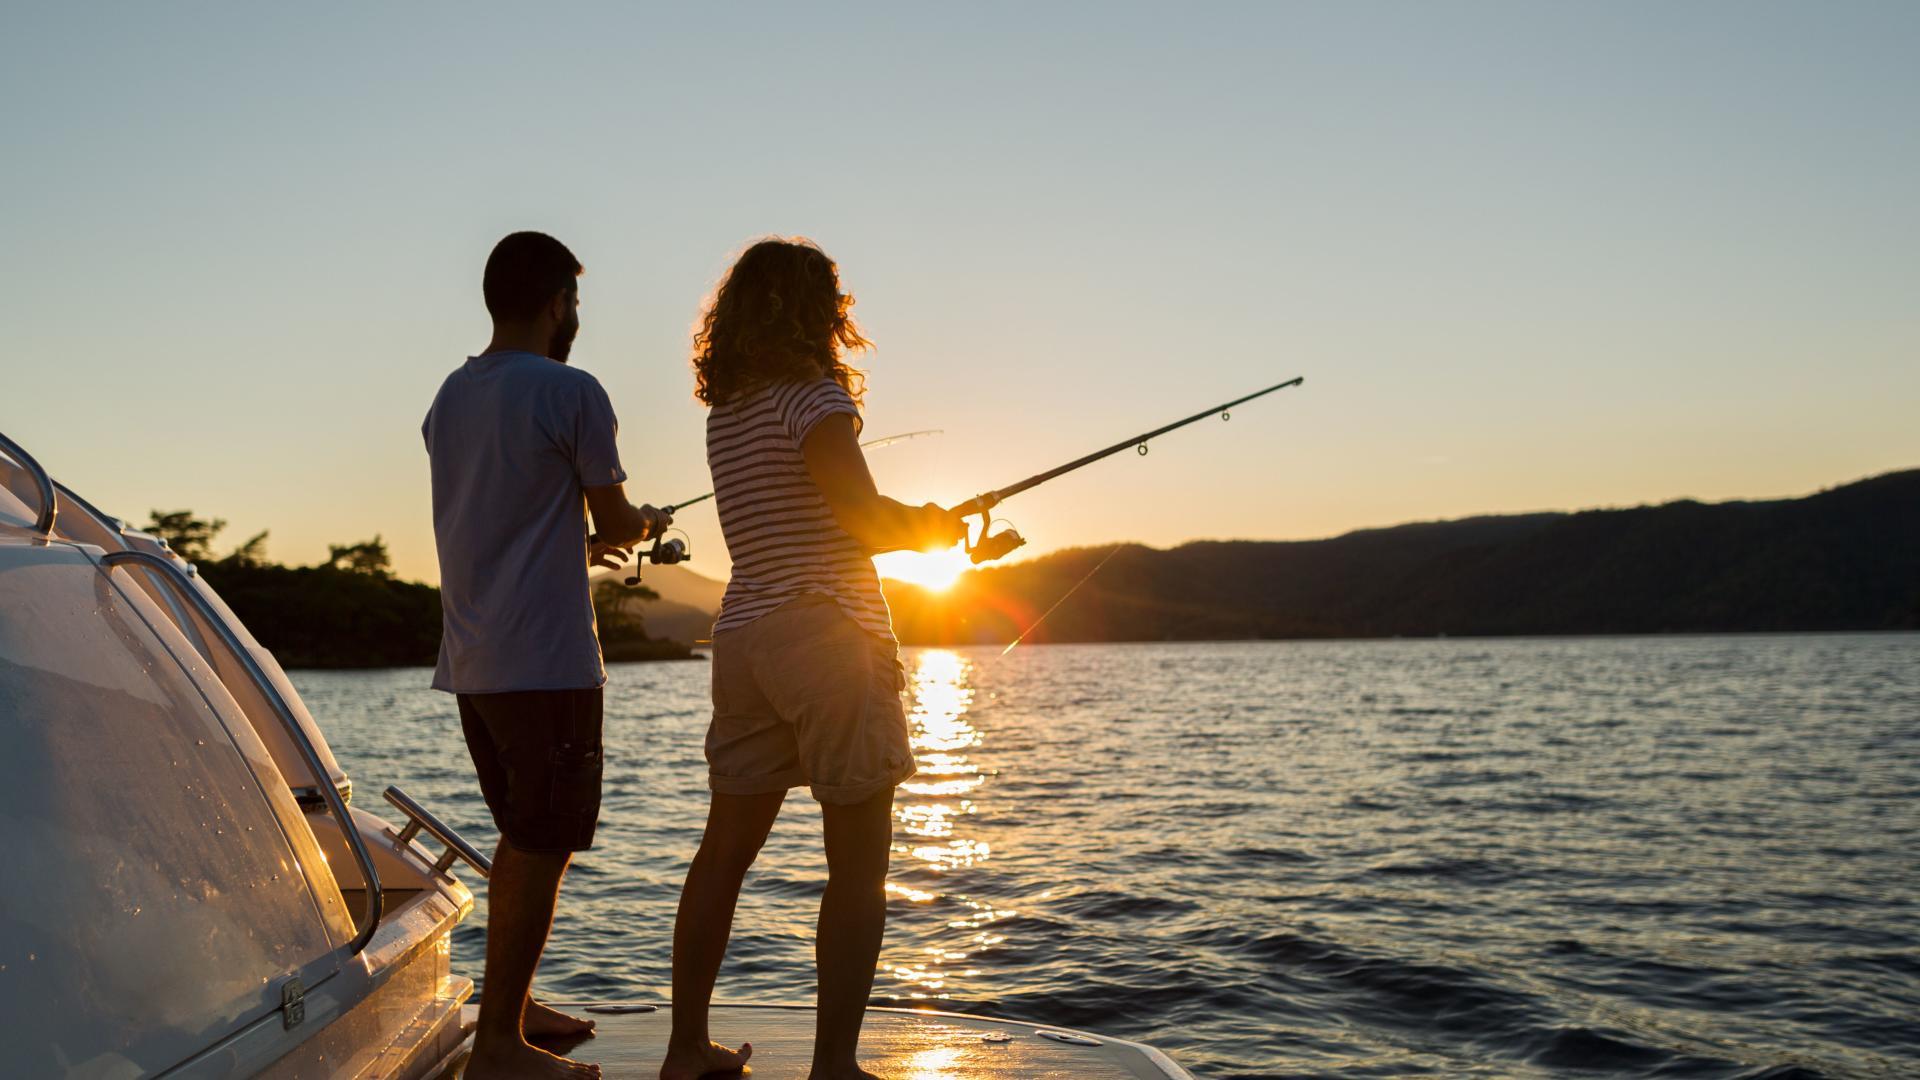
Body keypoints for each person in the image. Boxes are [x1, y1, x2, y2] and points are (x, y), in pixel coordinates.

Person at [662, 238, 966, 1080]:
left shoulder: (728, 416)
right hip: (829, 634)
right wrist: (936, 526)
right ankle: (833, 1066)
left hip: (746, 637)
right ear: (819, 312)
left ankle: (686, 1047)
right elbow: (862, 518)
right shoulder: (813, 398)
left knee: (723, 851)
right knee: (859, 868)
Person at [423, 231, 670, 1080]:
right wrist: (638, 529)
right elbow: (620, 515)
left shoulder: (450, 399)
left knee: (519, 837)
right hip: (549, 663)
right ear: (557, 300)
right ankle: (497, 1046)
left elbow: (507, 514)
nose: (576, 316)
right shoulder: (572, 391)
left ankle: (511, 1008)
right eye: (574, 300)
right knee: (542, 842)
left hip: (475, 663)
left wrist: (578, 542)